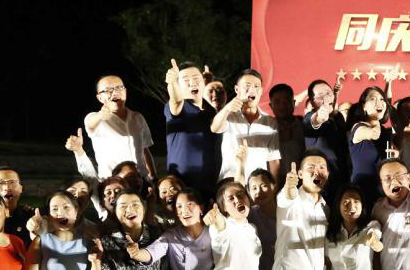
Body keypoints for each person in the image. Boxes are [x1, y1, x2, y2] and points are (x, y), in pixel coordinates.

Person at [210, 69, 281, 182]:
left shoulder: (270, 122)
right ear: (237, 89)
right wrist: (227, 108)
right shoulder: (229, 116)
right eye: (247, 86)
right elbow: (215, 128)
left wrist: (274, 187)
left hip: (257, 184)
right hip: (230, 181)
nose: (251, 90)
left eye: (256, 86)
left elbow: (274, 159)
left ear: (261, 91)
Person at [164, 59, 222, 193]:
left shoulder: (211, 110)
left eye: (196, 78)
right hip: (182, 185)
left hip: (210, 185)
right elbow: (176, 100)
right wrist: (172, 83)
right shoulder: (178, 107)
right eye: (185, 80)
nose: (192, 83)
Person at [86, 75, 157, 182]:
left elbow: (145, 150)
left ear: (125, 91)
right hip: (113, 182)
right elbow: (90, 124)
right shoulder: (94, 118)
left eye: (119, 88)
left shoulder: (137, 117)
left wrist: (153, 177)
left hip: (141, 180)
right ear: (100, 98)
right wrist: (101, 115)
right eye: (108, 90)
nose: (115, 92)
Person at [347, 86, 391, 212]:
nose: (379, 102)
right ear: (364, 106)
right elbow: (374, 134)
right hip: (362, 191)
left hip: (384, 192)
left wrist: (389, 83)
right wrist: (378, 117)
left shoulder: (386, 131)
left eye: (382, 99)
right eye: (373, 99)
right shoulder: (359, 127)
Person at [269, 82, 307, 183]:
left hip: (301, 182)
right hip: (274, 184)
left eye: (286, 101)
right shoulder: (266, 129)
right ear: (271, 106)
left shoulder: (304, 126)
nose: (282, 106)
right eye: (277, 102)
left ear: (293, 103)